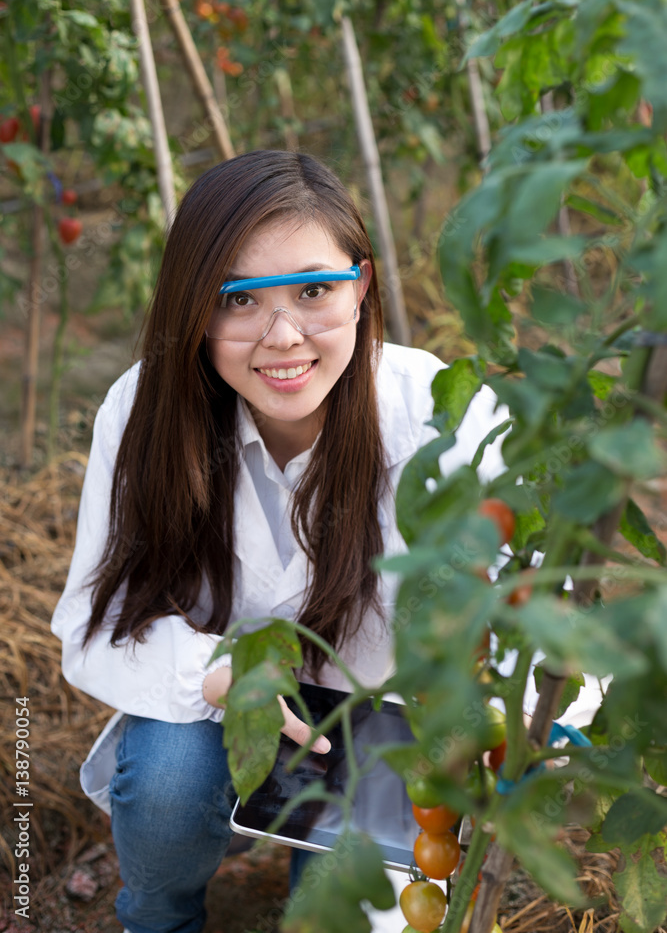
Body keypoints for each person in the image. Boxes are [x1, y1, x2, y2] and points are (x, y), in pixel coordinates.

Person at [49, 150, 585, 933]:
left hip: (387, 740)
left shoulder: (442, 420)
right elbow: (89, 627)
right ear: (194, 307)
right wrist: (219, 674)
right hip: (214, 725)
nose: (282, 336)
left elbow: (534, 616)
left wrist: (493, 739)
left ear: (362, 289)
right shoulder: (144, 414)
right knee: (165, 783)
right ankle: (158, 916)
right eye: (238, 299)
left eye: (313, 291)